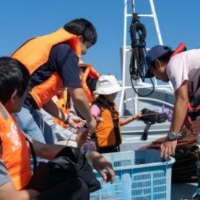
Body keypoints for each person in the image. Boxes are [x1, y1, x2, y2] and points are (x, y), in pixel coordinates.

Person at [0, 56, 115, 200]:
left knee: (75, 175)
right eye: (26, 92)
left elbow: (43, 149)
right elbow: (9, 197)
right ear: (14, 97)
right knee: (77, 188)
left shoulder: (7, 118)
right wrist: (43, 190)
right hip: (17, 196)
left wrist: (90, 155)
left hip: (22, 190)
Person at [11, 18, 97, 145]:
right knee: (42, 156)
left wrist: (67, 119)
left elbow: (42, 99)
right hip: (16, 104)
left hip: (22, 102)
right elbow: (77, 94)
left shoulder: (44, 44)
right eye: (87, 47)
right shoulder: (66, 52)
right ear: (79, 39)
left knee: (49, 143)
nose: (84, 53)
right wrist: (91, 120)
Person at [144, 43, 200, 200]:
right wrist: (183, 124)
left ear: (157, 63)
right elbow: (186, 103)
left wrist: (171, 137)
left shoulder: (174, 65)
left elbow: (181, 101)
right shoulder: (185, 63)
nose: (157, 78)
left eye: (154, 73)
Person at [90, 74, 142, 153]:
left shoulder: (113, 106)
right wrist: (96, 119)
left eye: (115, 92)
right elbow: (90, 119)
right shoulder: (96, 106)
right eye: (113, 92)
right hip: (101, 150)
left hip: (114, 147)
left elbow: (120, 122)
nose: (115, 94)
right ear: (106, 93)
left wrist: (134, 117)